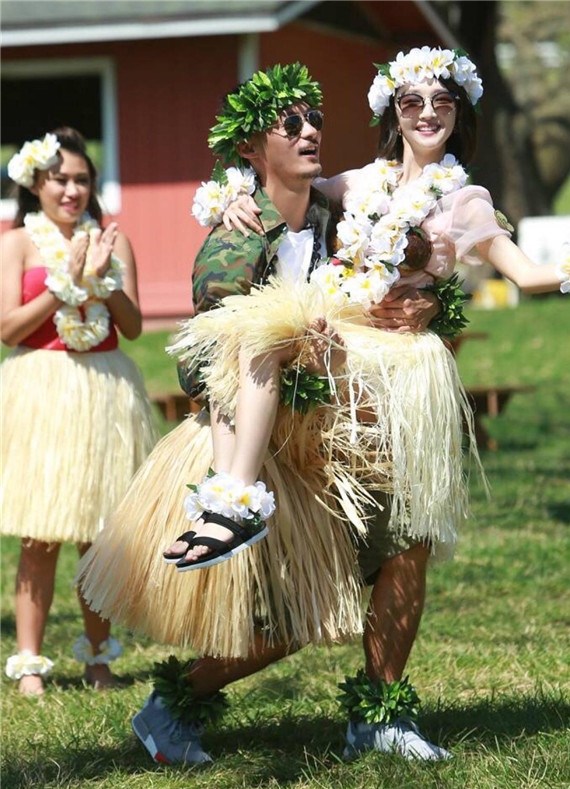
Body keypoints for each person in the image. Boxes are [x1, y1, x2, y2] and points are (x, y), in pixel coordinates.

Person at [77, 62, 453, 763]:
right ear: (250, 149)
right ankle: (170, 707)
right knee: (294, 619)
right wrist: (291, 361)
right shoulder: (231, 242)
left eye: (314, 120)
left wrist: (422, 290)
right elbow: (198, 366)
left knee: (409, 537)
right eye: (291, 124)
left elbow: (417, 256)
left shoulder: (335, 218)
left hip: (335, 438)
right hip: (255, 448)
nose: (310, 131)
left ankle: (380, 713)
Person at [1, 127, 158, 695]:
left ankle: (98, 659)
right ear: (36, 184)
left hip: (104, 389)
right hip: (42, 386)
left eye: (81, 180)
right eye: (59, 179)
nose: (70, 190)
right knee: (39, 536)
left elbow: (136, 326)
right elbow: (7, 328)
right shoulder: (17, 243)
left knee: (99, 533)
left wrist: (103, 280)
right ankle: (29, 666)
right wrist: (63, 286)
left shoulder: (113, 240)